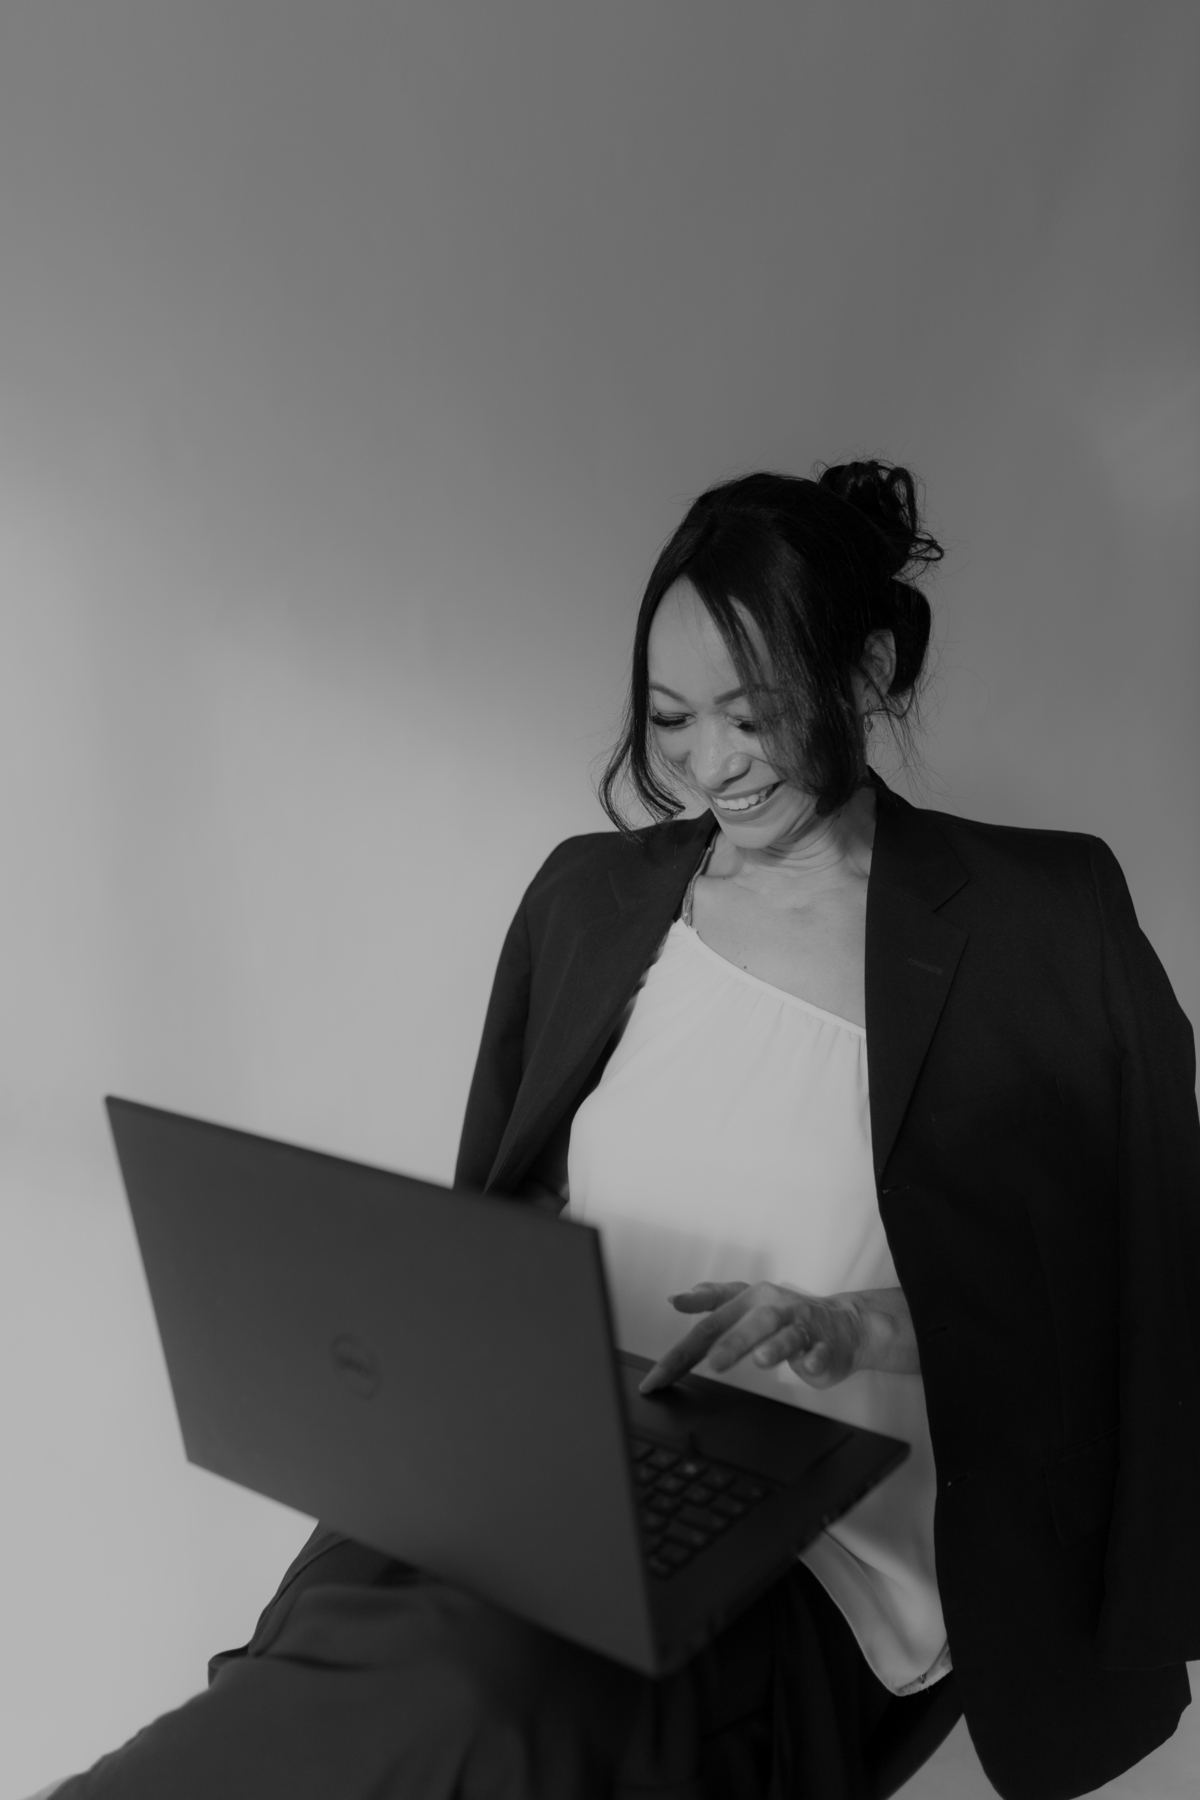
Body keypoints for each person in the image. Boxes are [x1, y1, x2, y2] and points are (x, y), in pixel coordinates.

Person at [45, 463, 1200, 1800]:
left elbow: (1123, 1295)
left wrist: (854, 1329)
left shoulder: (1036, 923)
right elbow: (501, 1223)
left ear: (868, 672)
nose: (709, 766)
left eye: (752, 715)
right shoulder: (589, 902)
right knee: (327, 1672)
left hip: (818, 1544)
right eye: (670, 719)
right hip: (548, 1478)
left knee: (472, 1704)